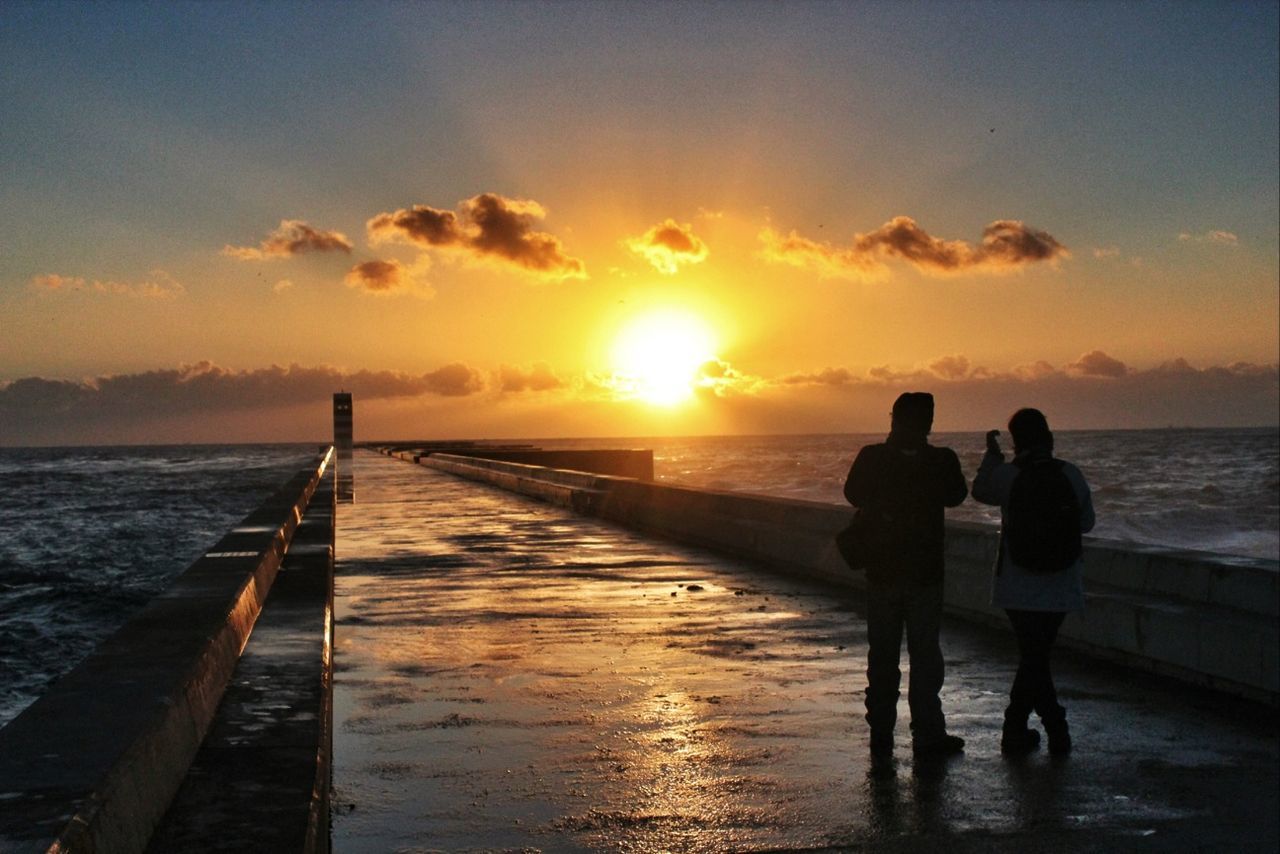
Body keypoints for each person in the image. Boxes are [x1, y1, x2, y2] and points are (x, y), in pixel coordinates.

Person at [844, 392, 969, 758]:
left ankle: (882, 731)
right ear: (927, 423)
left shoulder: (873, 457)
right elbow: (957, 495)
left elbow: (853, 494)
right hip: (924, 573)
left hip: (884, 572)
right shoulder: (941, 460)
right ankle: (927, 731)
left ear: (893, 419)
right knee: (925, 656)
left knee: (884, 656)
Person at [972, 408, 1095, 755]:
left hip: (1016, 583)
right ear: (1049, 437)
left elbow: (980, 490)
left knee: (1033, 657)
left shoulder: (1008, 475)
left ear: (1015, 440)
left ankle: (1030, 729)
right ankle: (1048, 729)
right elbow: (1086, 524)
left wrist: (992, 459)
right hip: (1060, 585)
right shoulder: (1070, 474)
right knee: (1036, 657)